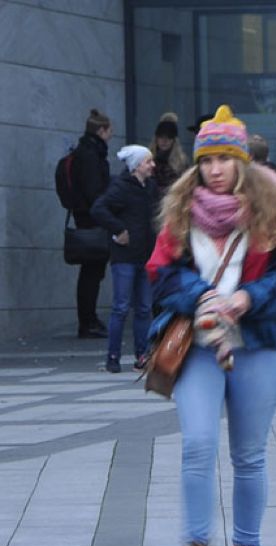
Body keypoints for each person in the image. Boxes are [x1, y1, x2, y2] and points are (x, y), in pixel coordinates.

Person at [146, 105, 276, 546]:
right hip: (198, 346)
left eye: (224, 159)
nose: (215, 170)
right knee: (197, 446)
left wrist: (247, 296)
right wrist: (198, 295)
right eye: (207, 161)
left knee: (249, 455)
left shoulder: (273, 209)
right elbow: (160, 272)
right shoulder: (181, 210)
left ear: (241, 161)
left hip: (258, 344)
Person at [91, 145, 159, 373]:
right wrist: (118, 229)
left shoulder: (150, 187)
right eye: (148, 161)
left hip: (145, 254)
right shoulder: (120, 188)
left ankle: (142, 355)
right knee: (121, 307)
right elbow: (98, 209)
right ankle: (113, 356)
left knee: (143, 308)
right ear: (137, 165)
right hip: (125, 256)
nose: (152, 165)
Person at [71, 108, 114, 339]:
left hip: (87, 217)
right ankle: (87, 321)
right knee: (92, 272)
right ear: (101, 130)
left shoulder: (87, 152)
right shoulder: (90, 155)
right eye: (109, 132)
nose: (110, 136)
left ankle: (88, 319)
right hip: (91, 220)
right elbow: (94, 190)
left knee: (91, 272)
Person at [150, 112, 188, 196]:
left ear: (174, 140)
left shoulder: (181, 162)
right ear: (156, 138)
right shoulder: (147, 160)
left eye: (169, 137)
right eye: (161, 137)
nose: (164, 141)